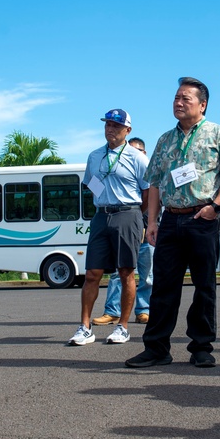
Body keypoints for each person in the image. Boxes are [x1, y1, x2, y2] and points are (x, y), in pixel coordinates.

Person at [126, 77, 220, 368]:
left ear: (202, 104)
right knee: (163, 286)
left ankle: (201, 347)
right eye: (176, 98)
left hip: (201, 219)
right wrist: (152, 221)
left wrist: (215, 206)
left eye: (185, 99)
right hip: (170, 220)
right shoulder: (165, 139)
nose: (178, 103)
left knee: (204, 286)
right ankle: (156, 348)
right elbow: (154, 183)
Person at [69, 110, 150, 346]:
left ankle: (123, 327)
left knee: (126, 272)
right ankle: (85, 328)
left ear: (128, 130)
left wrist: (136, 215)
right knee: (92, 273)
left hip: (128, 214)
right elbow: (90, 183)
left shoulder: (137, 157)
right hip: (101, 216)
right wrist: (104, 197)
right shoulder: (94, 156)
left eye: (116, 125)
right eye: (107, 125)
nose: (110, 129)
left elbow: (148, 191)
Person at [92, 136, 153, 326]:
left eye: (138, 150)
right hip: (120, 225)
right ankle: (112, 311)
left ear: (143, 153)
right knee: (118, 273)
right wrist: (107, 195)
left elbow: (150, 198)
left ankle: (143, 310)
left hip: (142, 228)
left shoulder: (145, 170)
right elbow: (93, 186)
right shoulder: (106, 163)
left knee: (146, 274)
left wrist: (138, 218)